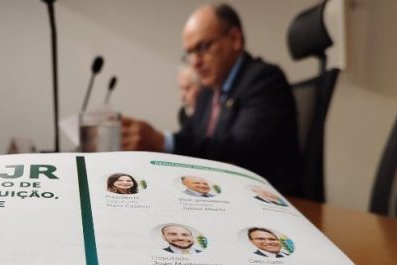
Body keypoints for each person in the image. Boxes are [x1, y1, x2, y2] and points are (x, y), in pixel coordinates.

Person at [121, 3, 300, 195]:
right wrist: (155, 144)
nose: (195, 62)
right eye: (190, 53)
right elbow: (189, 138)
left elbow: (239, 150)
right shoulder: (207, 93)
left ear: (235, 39)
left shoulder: (264, 79)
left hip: (268, 199)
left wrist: (163, 141)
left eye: (203, 47)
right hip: (218, 194)